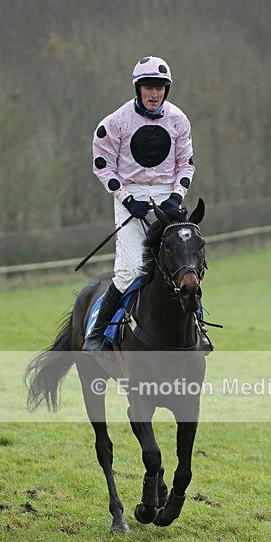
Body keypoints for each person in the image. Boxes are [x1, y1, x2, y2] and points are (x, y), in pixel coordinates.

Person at [83, 55, 195, 351]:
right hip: (130, 198)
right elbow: (101, 165)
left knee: (185, 264)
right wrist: (126, 198)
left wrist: (175, 197)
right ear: (138, 88)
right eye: (148, 87)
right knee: (131, 270)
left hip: (166, 199)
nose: (154, 93)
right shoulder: (114, 123)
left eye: (159, 88)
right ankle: (96, 335)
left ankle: (199, 330)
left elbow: (186, 164)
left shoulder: (179, 120)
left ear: (166, 90)